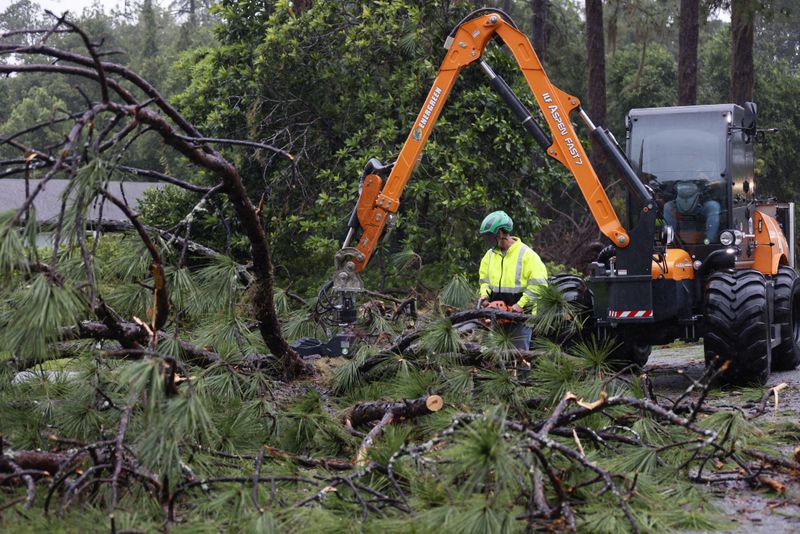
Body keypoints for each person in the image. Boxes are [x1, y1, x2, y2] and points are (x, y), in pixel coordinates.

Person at [478, 210, 548, 350]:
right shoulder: (489, 255)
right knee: (498, 360)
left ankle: (523, 372)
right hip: (497, 316)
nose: (489, 240)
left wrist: (520, 305)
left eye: (491, 236)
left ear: (501, 233)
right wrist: (485, 295)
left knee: (520, 357)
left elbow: (539, 285)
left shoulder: (527, 255)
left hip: (520, 318)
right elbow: (484, 280)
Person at [662, 174, 721, 243]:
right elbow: (666, 187)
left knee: (713, 206)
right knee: (668, 206)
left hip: (701, 203)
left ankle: (709, 240)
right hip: (677, 204)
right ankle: (670, 241)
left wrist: (706, 181)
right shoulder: (674, 177)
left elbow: (716, 184)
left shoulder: (702, 174)